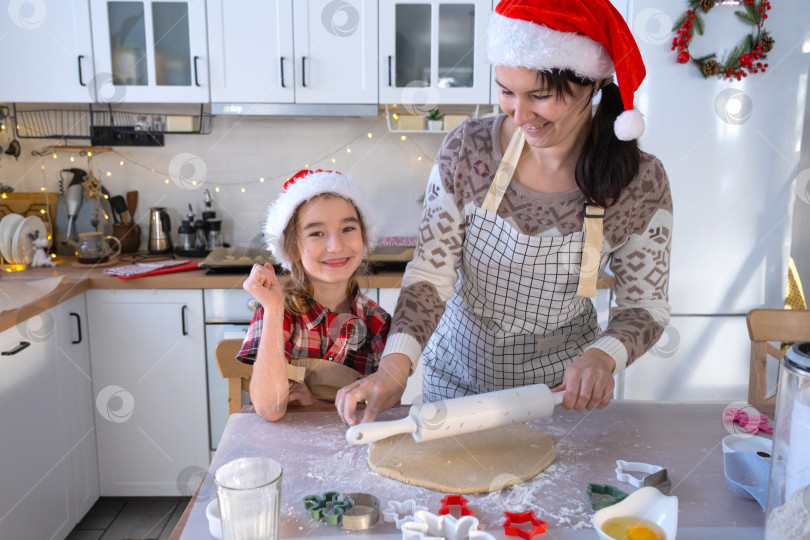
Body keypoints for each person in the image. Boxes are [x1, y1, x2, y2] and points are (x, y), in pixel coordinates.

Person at [337, 0, 672, 425]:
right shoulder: (468, 150)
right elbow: (430, 275)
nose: (520, 112)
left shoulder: (639, 180)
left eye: (540, 96)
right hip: (455, 386)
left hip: (558, 399)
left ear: (592, 84)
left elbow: (645, 307)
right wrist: (392, 369)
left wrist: (601, 359)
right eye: (506, 91)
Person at [239, 169, 391, 422]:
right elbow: (270, 408)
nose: (336, 246)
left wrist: (316, 405)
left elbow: (387, 409)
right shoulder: (277, 312)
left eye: (348, 228)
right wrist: (273, 309)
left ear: (364, 238)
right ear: (293, 248)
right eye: (316, 233)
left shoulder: (377, 322)